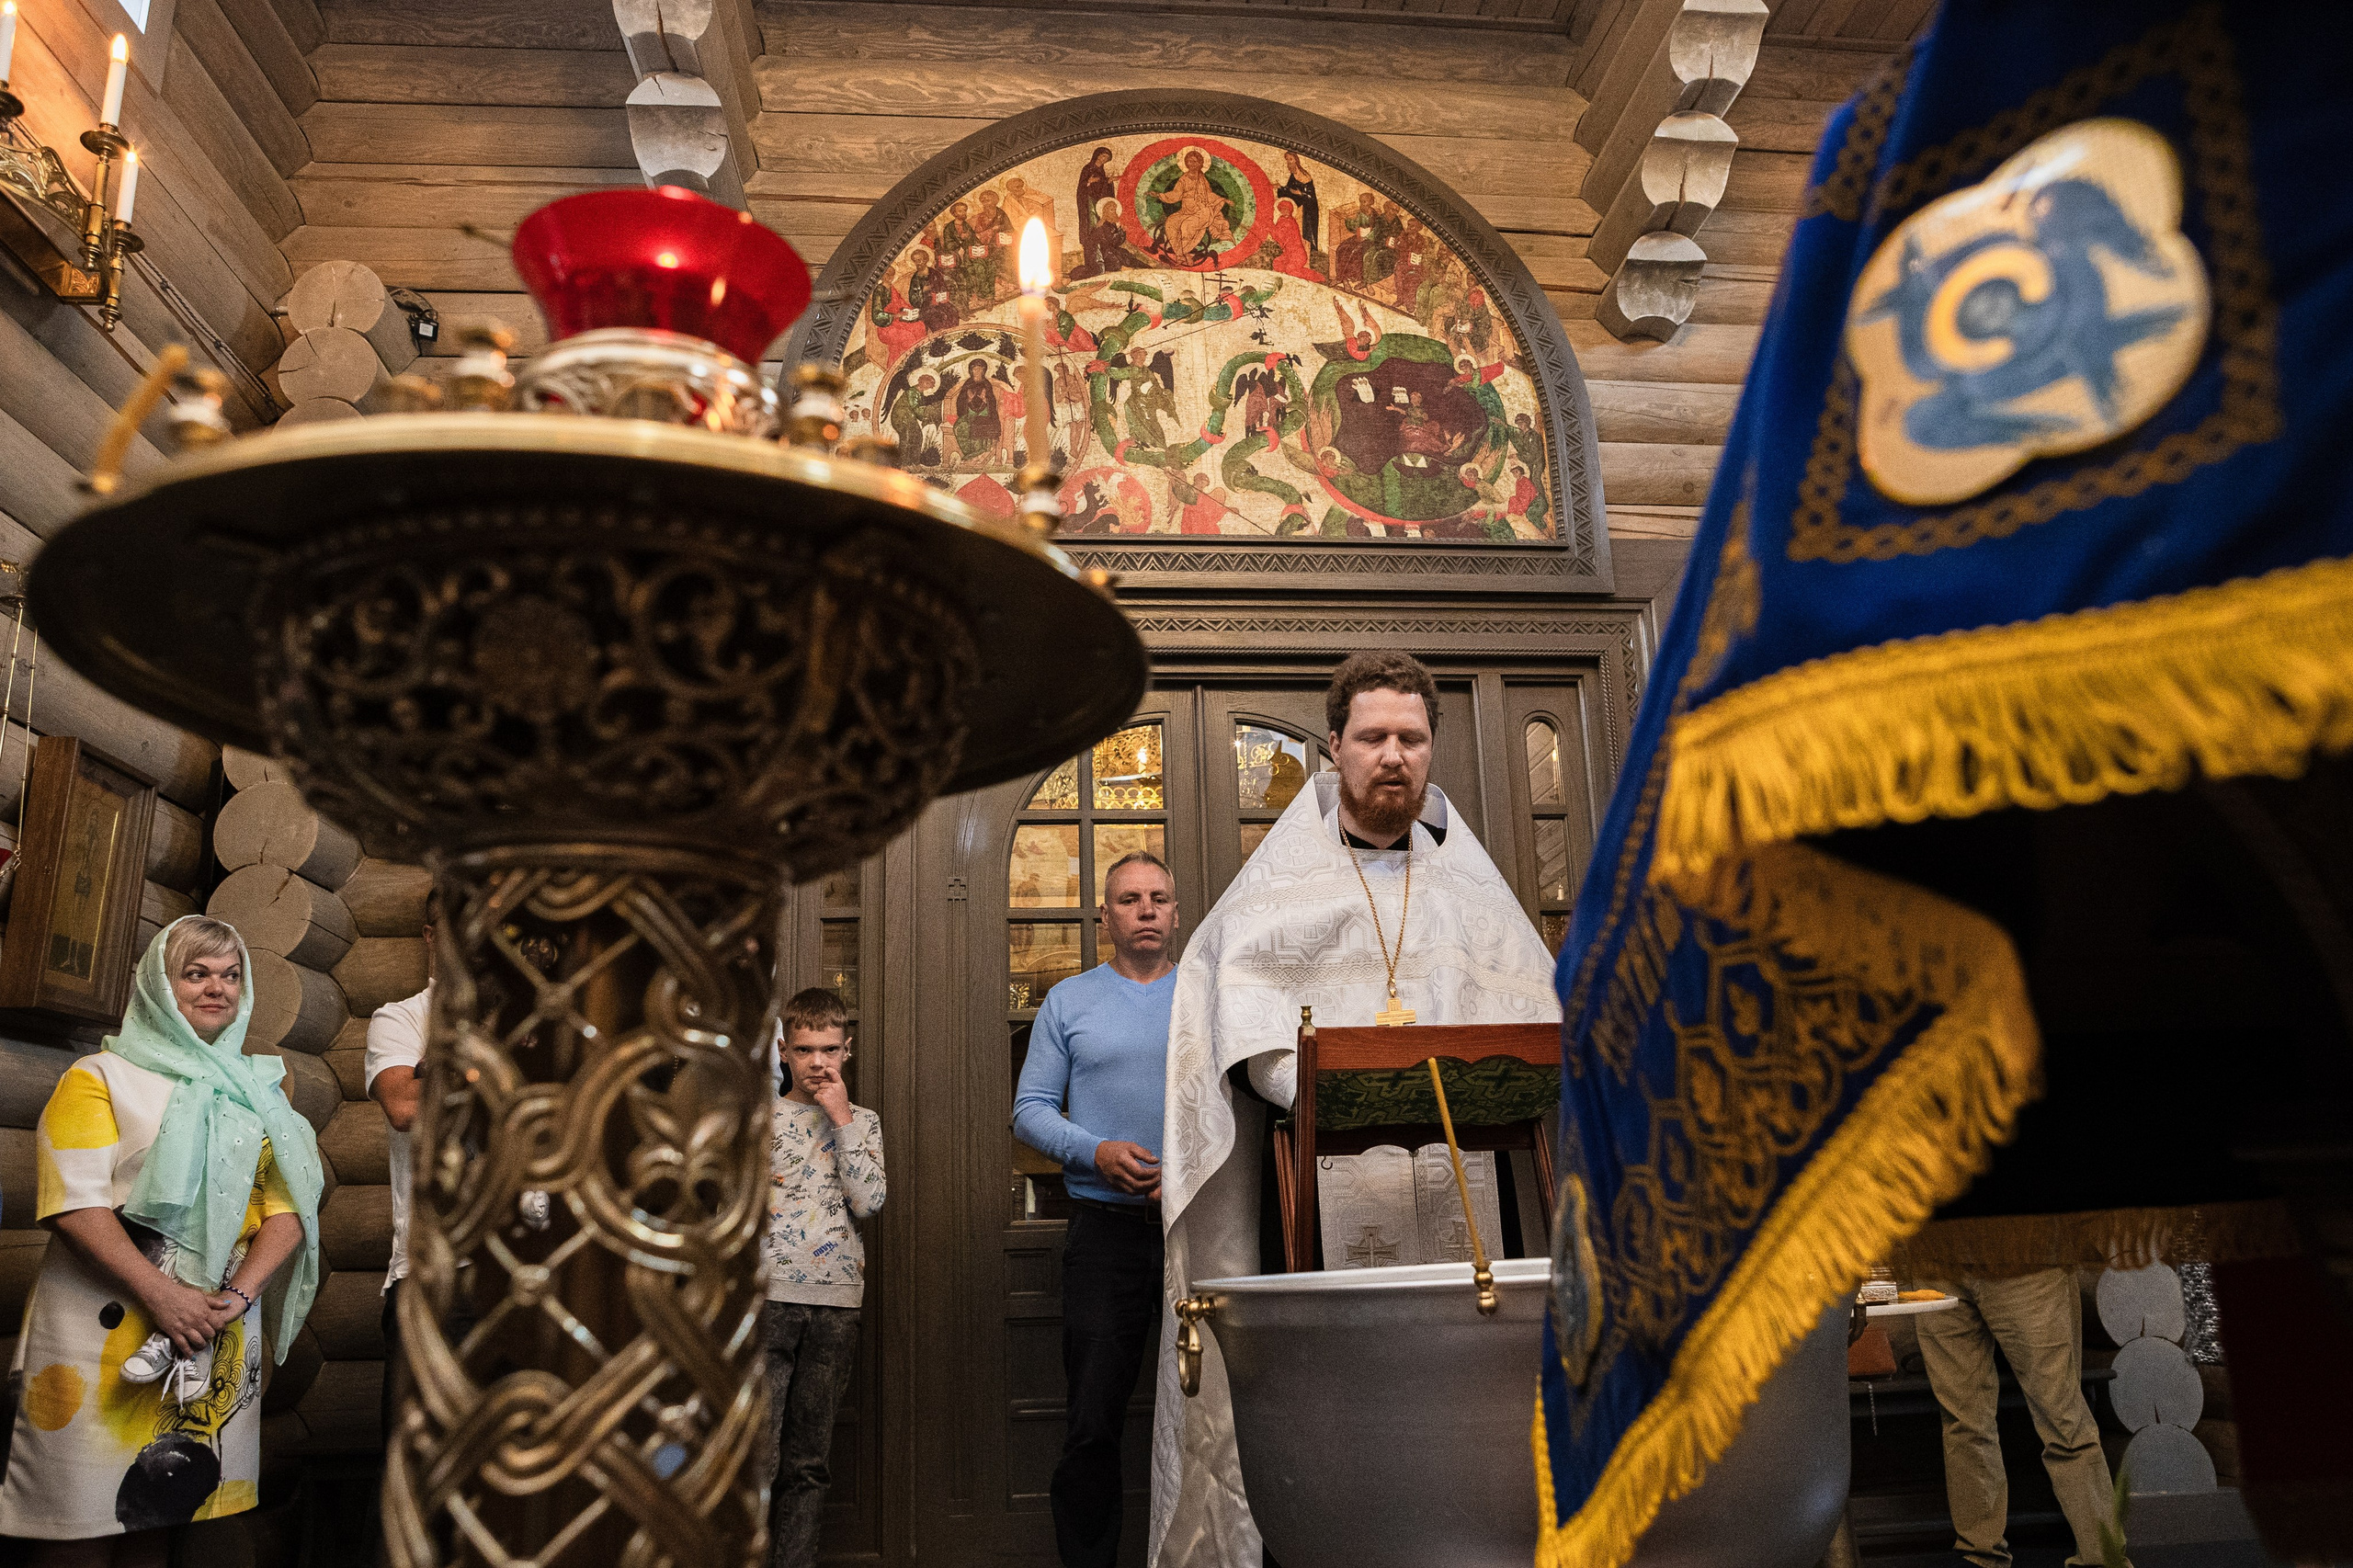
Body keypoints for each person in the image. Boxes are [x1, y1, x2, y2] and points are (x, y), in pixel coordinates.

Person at [1149, 652, 1560, 1568]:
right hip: (1323, 1187)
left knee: (1462, 1412)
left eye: (1410, 738)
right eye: (1372, 736)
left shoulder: (1474, 895)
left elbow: (1539, 1023)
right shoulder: (1271, 894)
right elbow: (1230, 1012)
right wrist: (1323, 1079)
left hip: (1466, 1192)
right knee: (1348, 1420)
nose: (1392, 755)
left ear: (1430, 749)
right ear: (1333, 747)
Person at [0, 917, 325, 1560]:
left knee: (162, 1519)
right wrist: (164, 1294)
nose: (217, 988)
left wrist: (234, 1298)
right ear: (158, 984)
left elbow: (288, 1208)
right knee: (77, 1521)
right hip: (102, 1330)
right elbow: (74, 1201)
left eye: (230, 975)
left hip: (215, 1329)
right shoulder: (101, 1077)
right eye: (196, 973)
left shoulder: (259, 1094)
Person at [1011, 853, 1180, 1568]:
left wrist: (1198, 1171)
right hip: (1103, 1236)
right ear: (1104, 917)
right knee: (1091, 1426)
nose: (1146, 909)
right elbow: (1029, 1112)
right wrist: (1095, 1151)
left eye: (1159, 898)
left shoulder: (1209, 995)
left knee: (1219, 1419)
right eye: (1130, 899)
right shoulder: (1068, 1001)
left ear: (1175, 912)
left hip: (1199, 1231)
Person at [760, 988, 886, 1568]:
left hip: (835, 1308)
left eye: (830, 1050)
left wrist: (841, 1120)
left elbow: (869, 1201)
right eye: (806, 1049)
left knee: (808, 1462)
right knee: (758, 1457)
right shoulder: (757, 1120)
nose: (819, 1062)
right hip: (769, 1305)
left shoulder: (862, 1123)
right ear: (784, 1051)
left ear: (847, 1050)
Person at [1915, 1269, 2121, 1568]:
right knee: (1964, 1424)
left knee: (2065, 1425)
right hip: (1934, 1259)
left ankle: (2102, 1561)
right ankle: (1980, 1557)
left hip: (2022, 1254)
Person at [365, 891, 437, 1442]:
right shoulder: (401, 1018)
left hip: (525, 1279)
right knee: (410, 1473)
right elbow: (404, 1106)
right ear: (431, 937)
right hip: (428, 1278)